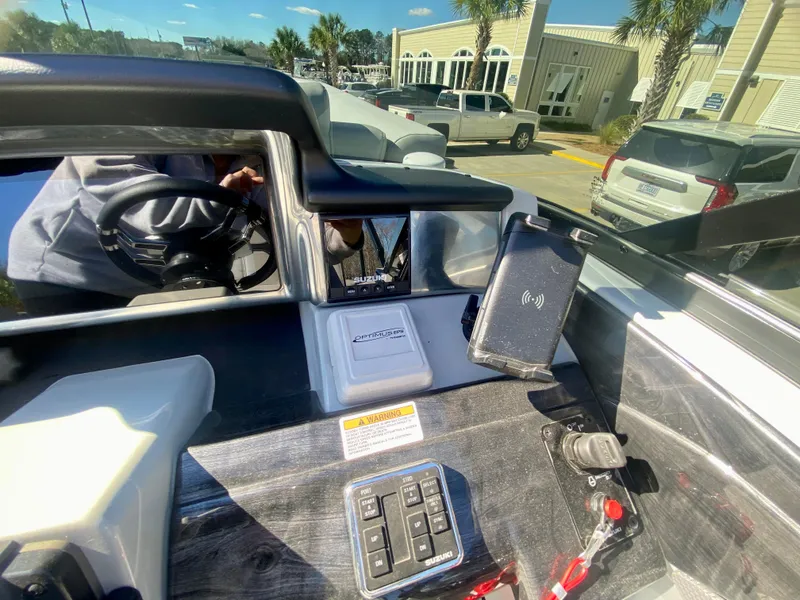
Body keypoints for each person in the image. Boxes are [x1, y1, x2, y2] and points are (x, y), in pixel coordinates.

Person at [8, 154, 363, 316]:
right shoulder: (123, 129)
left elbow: (292, 239)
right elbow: (144, 208)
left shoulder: (255, 158)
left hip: (155, 279)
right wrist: (223, 197)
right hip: (64, 273)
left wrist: (342, 237)